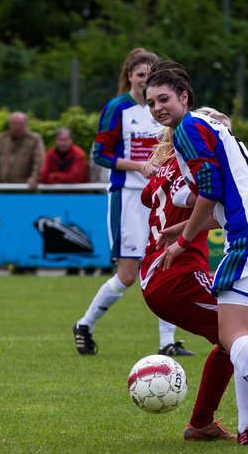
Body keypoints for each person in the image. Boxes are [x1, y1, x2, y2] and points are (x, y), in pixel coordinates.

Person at [152, 60, 248, 450]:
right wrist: (186, 228)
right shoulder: (222, 136)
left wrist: (184, 241)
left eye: (164, 99)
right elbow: (220, 194)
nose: (157, 107)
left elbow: (208, 188)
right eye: (150, 101)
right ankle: (247, 429)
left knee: (232, 333)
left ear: (185, 98)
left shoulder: (189, 127)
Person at [75, 47, 190, 359]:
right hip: (127, 197)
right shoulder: (118, 108)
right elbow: (100, 154)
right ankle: (85, 324)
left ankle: (168, 341)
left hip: (159, 198)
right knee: (128, 274)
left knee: (165, 264)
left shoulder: (164, 110)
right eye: (140, 75)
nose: (145, 81)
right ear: (130, 77)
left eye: (150, 75)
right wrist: (139, 166)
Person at [0, 111, 45, 189]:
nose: (17, 127)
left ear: (26, 124)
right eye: (14, 124)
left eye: (20, 124)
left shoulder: (35, 139)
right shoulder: (0, 139)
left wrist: (35, 178)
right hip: (3, 189)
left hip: (25, 189)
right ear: (9, 124)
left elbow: (39, 161)